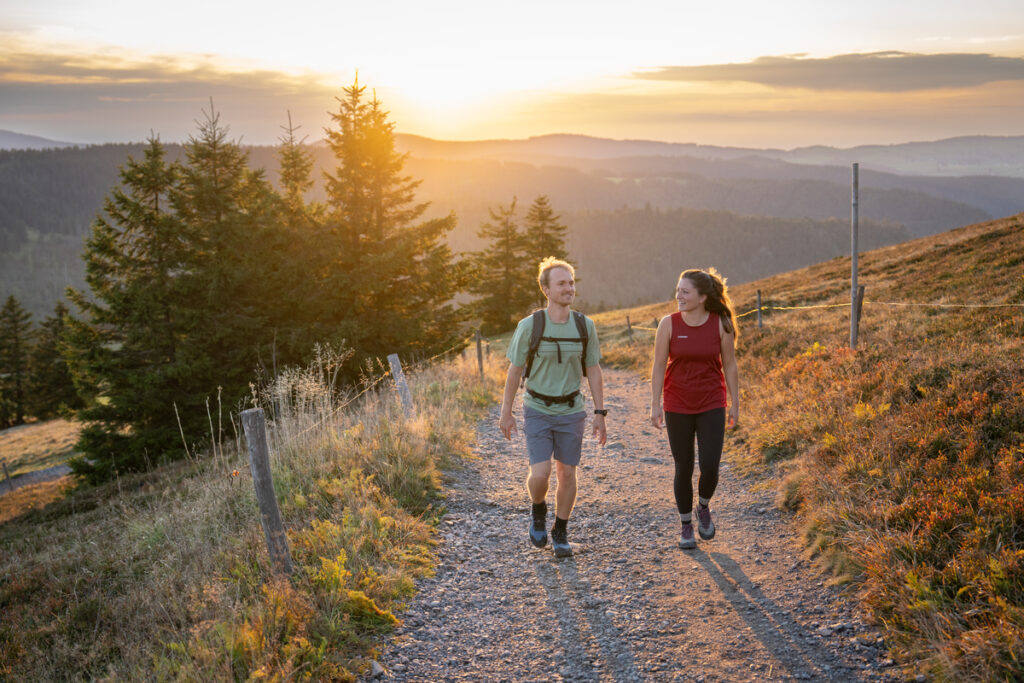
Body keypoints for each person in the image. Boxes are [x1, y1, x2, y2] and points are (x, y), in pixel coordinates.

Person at [499, 257, 607, 557]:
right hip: (537, 408)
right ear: (546, 289)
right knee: (541, 472)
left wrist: (600, 413)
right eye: (561, 283)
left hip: (572, 410)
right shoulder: (530, 326)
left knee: (567, 474)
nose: (569, 288)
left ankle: (560, 530)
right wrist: (505, 412)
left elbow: (594, 370)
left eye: (571, 283)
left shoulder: (585, 326)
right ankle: (538, 509)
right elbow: (515, 370)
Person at [650, 268, 740, 549]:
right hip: (677, 402)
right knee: (684, 466)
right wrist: (655, 404)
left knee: (711, 466)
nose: (679, 295)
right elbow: (657, 365)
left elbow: (730, 365)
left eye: (685, 291)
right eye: (678, 290)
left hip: (712, 401)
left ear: (702, 297)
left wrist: (735, 402)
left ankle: (703, 506)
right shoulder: (668, 324)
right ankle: (686, 525)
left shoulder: (721, 323)